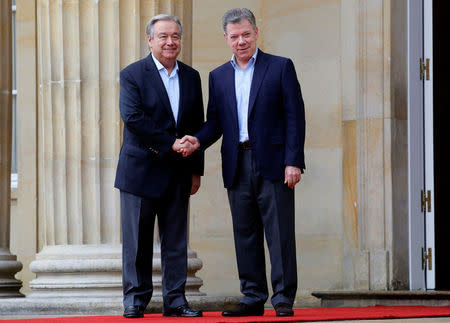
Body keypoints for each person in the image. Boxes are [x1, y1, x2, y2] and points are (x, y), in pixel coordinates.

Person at [180, 8, 305, 317]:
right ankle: (252, 297)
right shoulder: (218, 76)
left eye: (246, 35)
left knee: (279, 233)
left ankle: (283, 299)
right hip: (236, 162)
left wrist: (294, 162)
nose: (241, 41)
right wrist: (197, 141)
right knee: (245, 233)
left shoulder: (279, 67)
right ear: (226, 39)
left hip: (275, 163)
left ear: (256, 33)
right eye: (234, 37)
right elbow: (216, 122)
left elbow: (295, 117)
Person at [114, 14, 204, 318]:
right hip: (140, 170)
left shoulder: (192, 77)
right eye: (163, 36)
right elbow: (134, 118)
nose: (170, 42)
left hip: (179, 172)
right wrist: (170, 144)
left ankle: (176, 300)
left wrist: (196, 169)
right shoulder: (132, 74)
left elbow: (196, 124)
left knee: (176, 242)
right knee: (137, 242)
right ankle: (135, 300)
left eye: (176, 36)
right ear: (150, 40)